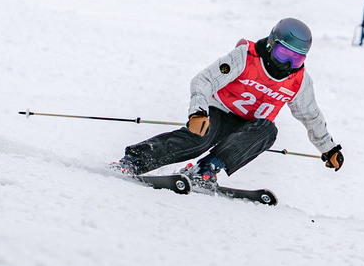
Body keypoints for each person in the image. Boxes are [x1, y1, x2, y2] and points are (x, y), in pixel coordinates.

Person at [112, 17, 344, 188]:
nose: (288, 64)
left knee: (268, 130)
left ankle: (205, 170)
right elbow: (204, 80)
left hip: (248, 128)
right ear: (272, 44)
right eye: (284, 54)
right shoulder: (246, 56)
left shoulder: (299, 81)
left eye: (297, 59)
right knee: (199, 140)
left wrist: (329, 149)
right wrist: (198, 113)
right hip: (218, 112)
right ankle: (134, 161)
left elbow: (311, 116)